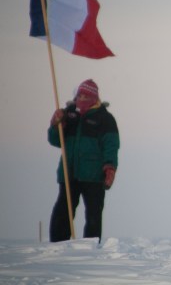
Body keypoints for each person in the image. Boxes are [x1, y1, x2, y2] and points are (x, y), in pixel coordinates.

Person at [48, 79, 120, 242]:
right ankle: (58, 245)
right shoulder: (68, 114)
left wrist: (110, 167)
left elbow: (111, 145)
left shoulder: (105, 118)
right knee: (63, 210)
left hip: (94, 175)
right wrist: (56, 125)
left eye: (86, 96)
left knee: (93, 213)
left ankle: (90, 247)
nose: (82, 99)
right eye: (80, 95)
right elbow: (55, 141)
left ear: (95, 98)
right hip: (69, 173)